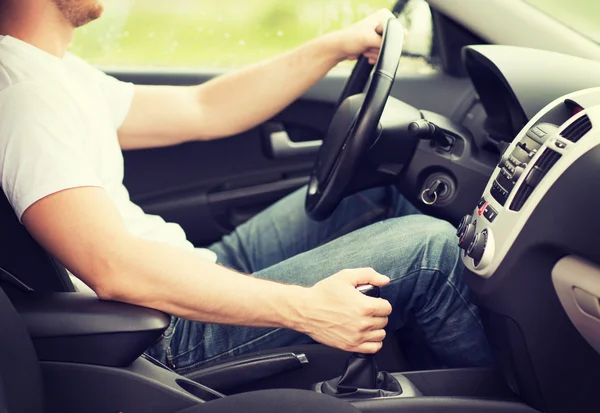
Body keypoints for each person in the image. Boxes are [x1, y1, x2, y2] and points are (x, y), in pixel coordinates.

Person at [0, 0, 492, 374]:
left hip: (184, 271)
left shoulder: (54, 71)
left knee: (378, 188)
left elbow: (205, 109)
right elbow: (113, 267)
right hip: (156, 331)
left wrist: (334, 46)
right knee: (431, 251)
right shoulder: (23, 94)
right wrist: (308, 309)